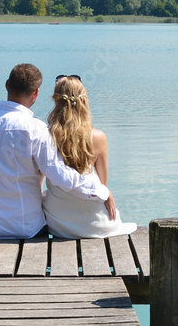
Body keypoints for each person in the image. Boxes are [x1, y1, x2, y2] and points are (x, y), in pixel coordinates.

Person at [0, 64, 116, 239]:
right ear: (36, 93)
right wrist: (101, 192)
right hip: (27, 229)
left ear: (7, 85)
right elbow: (62, 176)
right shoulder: (38, 130)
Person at [42, 75, 137, 238]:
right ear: (84, 100)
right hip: (97, 225)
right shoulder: (98, 137)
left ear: (55, 100)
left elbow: (39, 179)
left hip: (58, 223)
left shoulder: (45, 135)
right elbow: (102, 184)